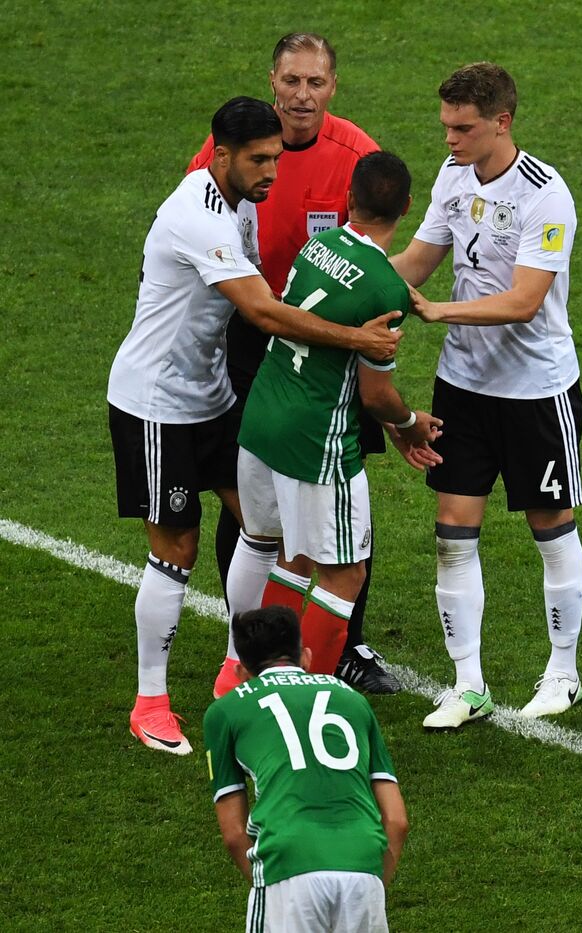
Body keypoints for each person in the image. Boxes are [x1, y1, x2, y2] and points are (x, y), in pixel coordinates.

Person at [108, 96, 400, 755]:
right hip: (157, 403)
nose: (273, 170)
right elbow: (263, 312)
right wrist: (354, 333)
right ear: (221, 156)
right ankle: (150, 701)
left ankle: (236, 669)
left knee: (256, 527)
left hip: (209, 393)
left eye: (276, 156)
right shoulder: (195, 215)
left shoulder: (238, 201)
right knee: (176, 547)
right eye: (260, 159)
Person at [189, 33, 403, 695]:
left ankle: (335, 650)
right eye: (291, 82)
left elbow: (367, 259)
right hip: (263, 332)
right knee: (286, 523)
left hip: (319, 339)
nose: (302, 96)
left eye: (314, 83)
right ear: (272, 81)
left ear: (331, 87)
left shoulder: (354, 154)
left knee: (306, 517)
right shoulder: (230, 147)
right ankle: (264, 653)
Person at [391, 62, 582, 725]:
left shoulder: (545, 195)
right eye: (445, 126)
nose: (449, 139)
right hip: (464, 388)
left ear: (501, 123)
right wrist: (354, 282)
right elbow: (417, 261)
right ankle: (468, 684)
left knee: (548, 526)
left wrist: (440, 313)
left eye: (463, 128)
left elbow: (527, 300)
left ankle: (563, 672)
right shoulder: (453, 175)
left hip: (535, 391)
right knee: (452, 533)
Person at [234, 151, 442, 684]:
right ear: (408, 209)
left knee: (291, 556)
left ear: (348, 198)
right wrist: (410, 422)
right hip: (316, 438)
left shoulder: (318, 244)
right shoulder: (385, 290)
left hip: (263, 417)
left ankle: (244, 680)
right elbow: (376, 396)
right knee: (345, 573)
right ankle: (309, 699)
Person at [205, 606, 408, 933]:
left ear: (241, 672)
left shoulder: (225, 712)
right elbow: (397, 821)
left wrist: (271, 882)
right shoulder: (355, 702)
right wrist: (370, 879)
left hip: (288, 860)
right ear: (307, 657)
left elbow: (233, 834)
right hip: (363, 862)